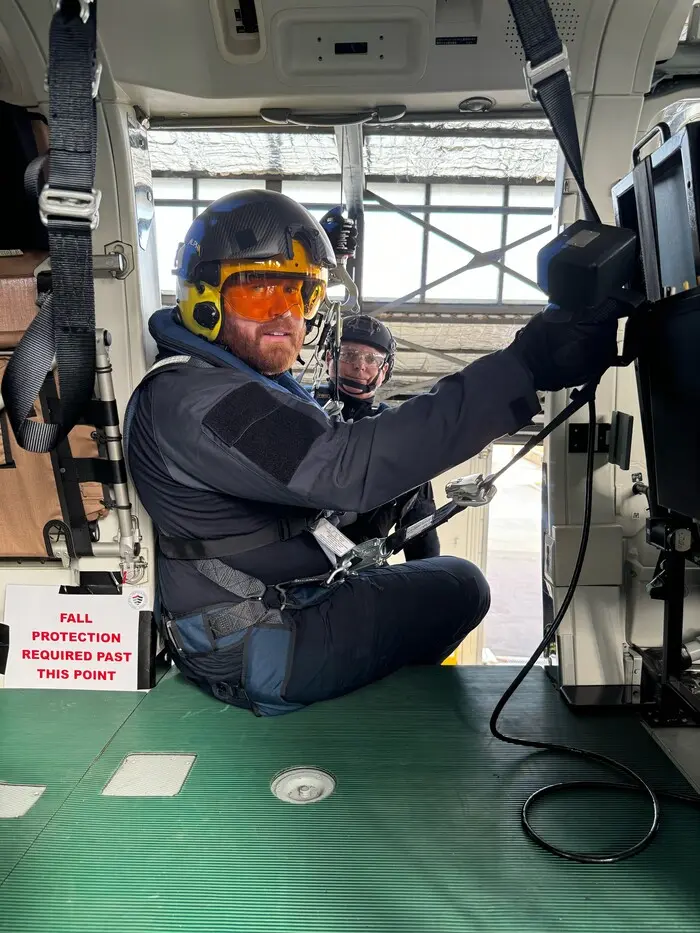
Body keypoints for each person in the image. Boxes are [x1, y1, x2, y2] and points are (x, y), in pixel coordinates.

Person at [125, 188, 618, 717]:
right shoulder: (195, 398)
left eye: (300, 296)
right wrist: (525, 367)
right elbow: (342, 466)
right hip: (255, 643)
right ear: (203, 297)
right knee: (462, 585)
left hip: (280, 601)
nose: (284, 316)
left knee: (444, 576)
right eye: (259, 293)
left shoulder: (234, 382)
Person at [315, 312, 440, 561]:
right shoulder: (293, 410)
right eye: (349, 354)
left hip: (356, 573)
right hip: (281, 562)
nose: (360, 365)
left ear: (384, 371)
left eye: (372, 359)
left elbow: (421, 532)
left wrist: (429, 583)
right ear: (330, 356)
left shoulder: (400, 439)